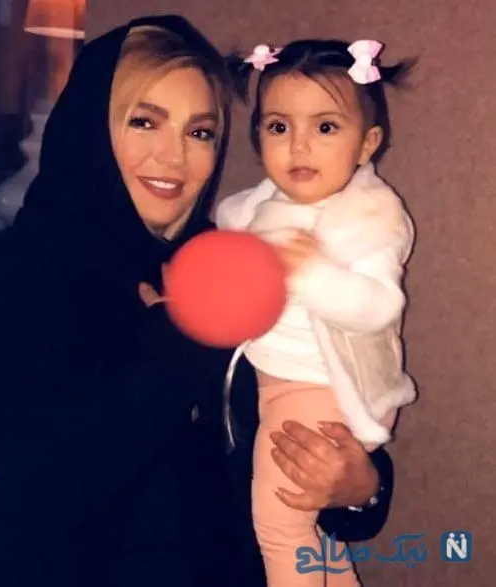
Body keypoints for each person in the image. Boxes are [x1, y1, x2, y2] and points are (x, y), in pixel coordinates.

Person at [0, 16, 393, 587]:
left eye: (200, 133)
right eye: (145, 121)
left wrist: (361, 488)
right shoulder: (4, 274)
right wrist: (183, 333)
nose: (174, 157)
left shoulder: (229, 258)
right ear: (90, 129)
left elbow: (303, 406)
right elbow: (48, 477)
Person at [215, 39, 417, 586]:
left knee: (280, 529)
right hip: (279, 384)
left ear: (367, 143)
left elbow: (380, 306)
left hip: (320, 389)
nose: (299, 145)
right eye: (279, 127)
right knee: (320, 542)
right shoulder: (260, 207)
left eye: (325, 127)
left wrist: (311, 275)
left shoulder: (367, 218)